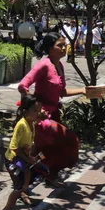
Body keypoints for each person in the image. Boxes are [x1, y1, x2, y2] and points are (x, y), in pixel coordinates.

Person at [18, 32, 83, 184]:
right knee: (71, 140)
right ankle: (23, 179)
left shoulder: (59, 65)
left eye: (64, 44)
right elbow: (23, 85)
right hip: (42, 118)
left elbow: (62, 92)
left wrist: (84, 90)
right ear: (50, 48)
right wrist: (34, 110)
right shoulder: (43, 65)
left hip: (53, 114)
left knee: (45, 150)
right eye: (59, 45)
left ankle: (40, 176)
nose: (64, 48)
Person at [0, 95, 42, 210]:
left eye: (39, 110)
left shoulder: (31, 123)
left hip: (22, 159)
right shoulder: (21, 125)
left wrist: (29, 157)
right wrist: (27, 159)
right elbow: (14, 147)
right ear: (25, 112)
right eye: (35, 111)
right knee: (19, 188)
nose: (38, 113)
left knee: (25, 182)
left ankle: (23, 190)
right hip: (13, 160)